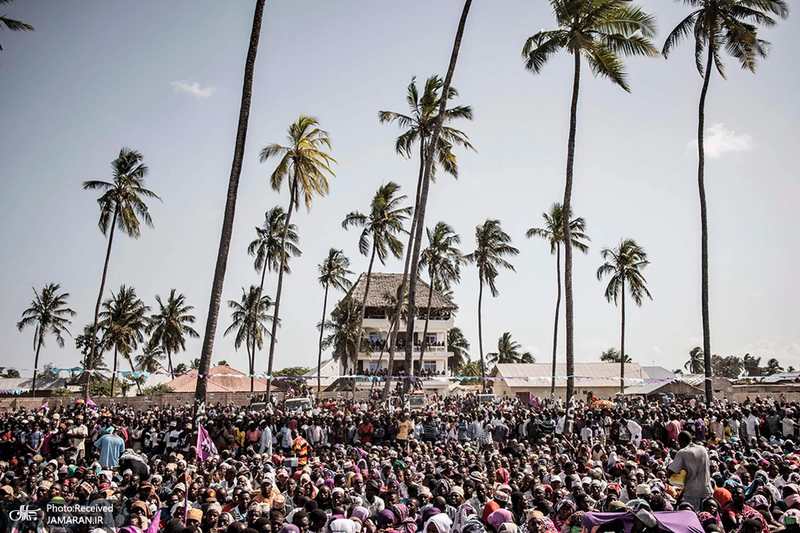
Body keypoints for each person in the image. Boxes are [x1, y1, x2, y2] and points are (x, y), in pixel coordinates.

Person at [667, 430, 712, 510]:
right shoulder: (703, 449)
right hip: (707, 490)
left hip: (692, 492)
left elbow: (670, 472)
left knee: (692, 515)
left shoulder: (682, 452)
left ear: (681, 441)